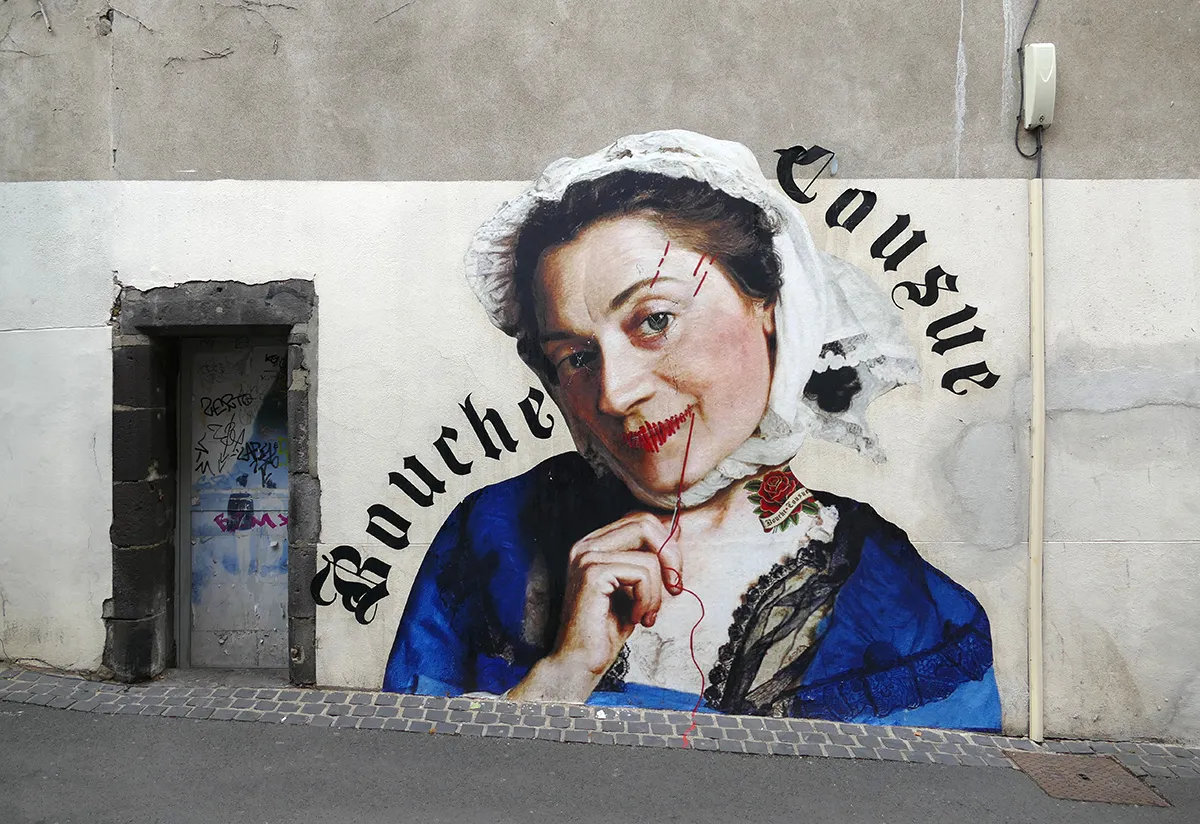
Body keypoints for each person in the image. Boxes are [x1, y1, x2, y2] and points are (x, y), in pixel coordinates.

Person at [383, 131, 1001, 731]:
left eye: (655, 320)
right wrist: (562, 675)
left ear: (769, 302)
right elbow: (409, 773)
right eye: (576, 356)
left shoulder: (905, 608)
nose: (615, 393)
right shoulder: (491, 537)